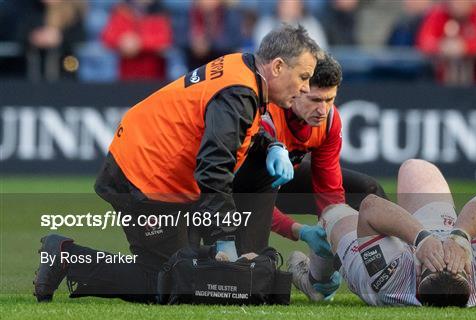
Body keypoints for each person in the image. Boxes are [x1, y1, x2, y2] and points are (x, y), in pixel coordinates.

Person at [33, 24, 321, 303]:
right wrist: (226, 240)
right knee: (164, 280)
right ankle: (66, 257)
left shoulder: (242, 68)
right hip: (144, 178)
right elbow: (213, 168)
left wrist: (271, 145)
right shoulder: (239, 92)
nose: (305, 88)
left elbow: (229, 132)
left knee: (196, 273)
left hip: (152, 167)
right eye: (303, 76)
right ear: (278, 67)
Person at [233, 53, 386, 301]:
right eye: (315, 99)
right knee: (249, 281)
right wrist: (300, 231)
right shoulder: (265, 119)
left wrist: (333, 230)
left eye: (330, 99)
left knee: (367, 190)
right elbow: (247, 198)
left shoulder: (329, 121)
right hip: (239, 192)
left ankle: (332, 277)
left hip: (281, 180)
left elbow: (329, 190)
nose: (323, 109)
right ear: (297, 90)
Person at [289, 159, 476, 307]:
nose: (445, 254)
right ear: (469, 273)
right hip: (438, 227)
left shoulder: (390, 279)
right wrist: (460, 236)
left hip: (376, 266)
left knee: (333, 211)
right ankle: (404, 225)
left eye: (436, 261)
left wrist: (422, 239)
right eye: (452, 260)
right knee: (415, 167)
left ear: (417, 276)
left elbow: (369, 206)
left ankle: (318, 282)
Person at [416, 0, 476, 84]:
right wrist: (441, 46)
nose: (457, 4)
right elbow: (424, 41)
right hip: (441, 83)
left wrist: (464, 47)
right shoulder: (439, 13)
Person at [101, 0, 172, 81]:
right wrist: (122, 41)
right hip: (126, 77)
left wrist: (140, 43)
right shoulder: (122, 10)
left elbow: (165, 41)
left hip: (154, 76)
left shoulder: (160, 12)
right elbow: (107, 37)